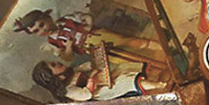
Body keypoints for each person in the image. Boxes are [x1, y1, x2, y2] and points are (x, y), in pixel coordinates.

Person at [13, 8, 160, 64]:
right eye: (37, 31)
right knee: (119, 58)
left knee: (128, 41)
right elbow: (67, 57)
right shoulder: (52, 43)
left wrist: (88, 24)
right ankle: (151, 64)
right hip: (91, 49)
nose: (42, 30)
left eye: (42, 25)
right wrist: (69, 47)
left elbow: (85, 16)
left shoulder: (66, 19)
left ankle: (160, 48)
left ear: (48, 18)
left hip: (98, 35)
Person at [31, 57, 164, 103]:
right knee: (125, 81)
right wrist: (92, 78)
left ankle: (155, 74)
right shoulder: (67, 90)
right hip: (101, 92)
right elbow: (86, 94)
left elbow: (85, 67)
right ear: (52, 77)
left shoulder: (70, 72)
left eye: (53, 62)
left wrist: (94, 63)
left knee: (123, 68)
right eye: (53, 65)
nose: (57, 62)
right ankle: (159, 85)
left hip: (102, 81)